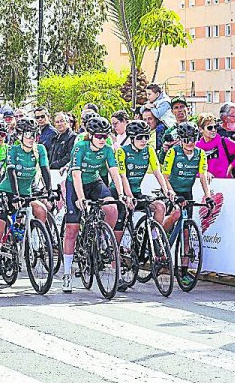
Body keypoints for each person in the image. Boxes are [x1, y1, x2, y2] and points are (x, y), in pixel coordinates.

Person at [61, 116, 125, 293]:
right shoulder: (80, 146)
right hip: (75, 184)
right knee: (72, 229)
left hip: (95, 181)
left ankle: (103, 238)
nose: (103, 139)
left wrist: (120, 194)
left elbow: (114, 171)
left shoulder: (107, 148)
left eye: (105, 136)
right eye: (99, 136)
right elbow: (75, 175)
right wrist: (80, 198)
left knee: (112, 207)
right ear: (90, 135)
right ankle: (67, 273)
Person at [116, 119, 172, 225]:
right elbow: (122, 176)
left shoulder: (149, 150)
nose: (144, 140)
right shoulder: (122, 151)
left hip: (137, 192)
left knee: (160, 207)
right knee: (120, 225)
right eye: (140, 137)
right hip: (121, 193)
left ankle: (154, 238)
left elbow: (157, 172)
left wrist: (166, 191)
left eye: (147, 137)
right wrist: (129, 196)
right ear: (132, 139)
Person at [196, 114, 235, 180]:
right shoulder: (196, 147)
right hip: (205, 185)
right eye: (210, 128)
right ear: (201, 129)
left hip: (224, 183)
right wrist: (204, 173)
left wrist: (232, 165)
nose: (213, 130)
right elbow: (191, 167)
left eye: (215, 127)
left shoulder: (224, 141)